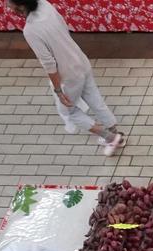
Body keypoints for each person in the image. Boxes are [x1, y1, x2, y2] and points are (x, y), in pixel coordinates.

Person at [8, 0, 127, 156]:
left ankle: (110, 137)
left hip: (68, 75)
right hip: (80, 59)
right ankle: (114, 130)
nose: (6, 5)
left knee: (69, 112)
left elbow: (49, 64)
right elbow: (63, 27)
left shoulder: (31, 30)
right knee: (94, 97)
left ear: (19, 6)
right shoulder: (45, 5)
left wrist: (58, 90)